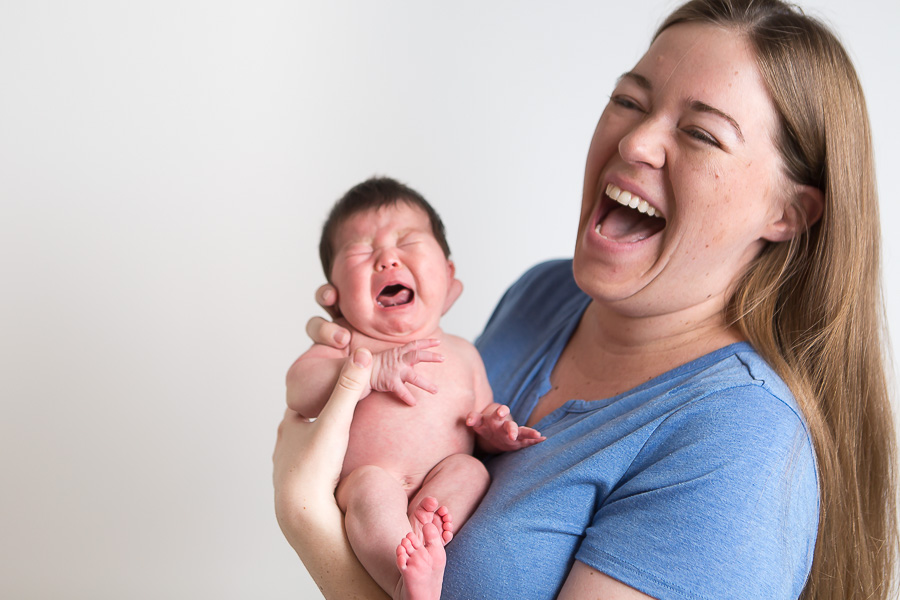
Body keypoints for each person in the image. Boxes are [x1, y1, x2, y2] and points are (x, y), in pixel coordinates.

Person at [273, 0, 899, 598]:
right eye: (629, 100)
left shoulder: (741, 448)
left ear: (788, 212)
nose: (635, 143)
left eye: (702, 134)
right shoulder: (542, 295)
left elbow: (335, 514)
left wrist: (310, 523)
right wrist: (360, 356)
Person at [284, 177, 544, 600]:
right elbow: (298, 391)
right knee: (371, 487)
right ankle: (403, 581)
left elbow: (477, 422)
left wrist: (494, 429)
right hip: (367, 486)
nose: (387, 258)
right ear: (333, 297)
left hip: (439, 483)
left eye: (407, 242)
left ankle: (428, 539)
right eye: (361, 250)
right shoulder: (347, 344)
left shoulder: (463, 354)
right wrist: (366, 373)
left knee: (471, 470)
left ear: (447, 274)